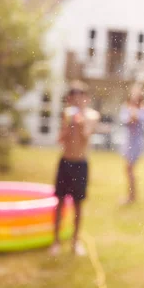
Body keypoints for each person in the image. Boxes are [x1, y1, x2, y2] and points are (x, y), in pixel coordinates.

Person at [50, 80, 99, 256]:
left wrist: (80, 122)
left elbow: (86, 136)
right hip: (65, 162)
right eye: (73, 97)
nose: (77, 100)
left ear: (85, 98)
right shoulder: (67, 114)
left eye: (80, 97)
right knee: (60, 202)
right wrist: (68, 127)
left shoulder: (92, 116)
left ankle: (75, 242)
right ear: (70, 99)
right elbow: (60, 139)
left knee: (78, 204)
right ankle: (55, 241)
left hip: (80, 164)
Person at [119, 84, 144, 204]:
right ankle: (132, 195)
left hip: (136, 143)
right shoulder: (130, 107)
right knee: (128, 169)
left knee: (129, 169)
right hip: (129, 141)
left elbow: (137, 119)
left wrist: (133, 114)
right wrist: (133, 114)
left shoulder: (143, 107)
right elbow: (126, 120)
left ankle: (131, 196)